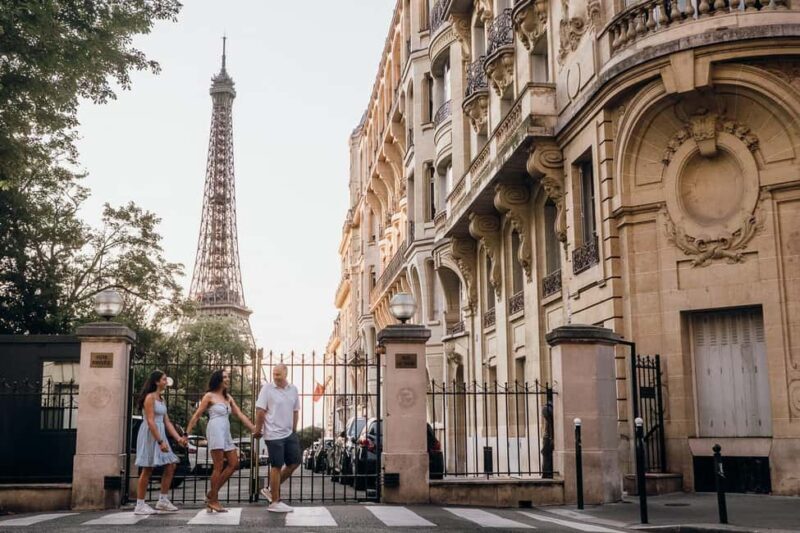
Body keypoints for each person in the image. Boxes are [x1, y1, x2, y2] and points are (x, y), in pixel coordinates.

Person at [185, 369, 256, 513]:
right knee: (218, 467)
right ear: (218, 379)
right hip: (215, 429)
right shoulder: (209, 396)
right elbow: (197, 415)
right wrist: (186, 433)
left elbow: (239, 414)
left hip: (225, 431)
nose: (227, 379)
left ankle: (211, 494)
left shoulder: (228, 397)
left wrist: (254, 428)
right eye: (225, 377)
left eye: (228, 377)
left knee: (234, 463)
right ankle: (214, 501)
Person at [134, 370, 188, 515]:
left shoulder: (161, 399)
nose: (166, 382)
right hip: (151, 434)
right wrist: (160, 441)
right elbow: (150, 421)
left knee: (171, 465)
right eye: (164, 379)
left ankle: (163, 500)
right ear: (157, 382)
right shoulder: (149, 398)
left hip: (160, 433)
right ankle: (140, 505)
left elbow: (167, 422)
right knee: (148, 468)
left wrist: (179, 438)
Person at [253, 363, 300, 513]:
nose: (275, 377)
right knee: (276, 465)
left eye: (278, 374)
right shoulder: (267, 388)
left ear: (286, 373)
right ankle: (274, 502)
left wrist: (294, 429)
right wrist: (258, 429)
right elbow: (260, 410)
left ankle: (269, 489)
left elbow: (295, 411)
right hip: (273, 434)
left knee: (294, 462)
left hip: (288, 433)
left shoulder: (293, 389)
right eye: (274, 374)